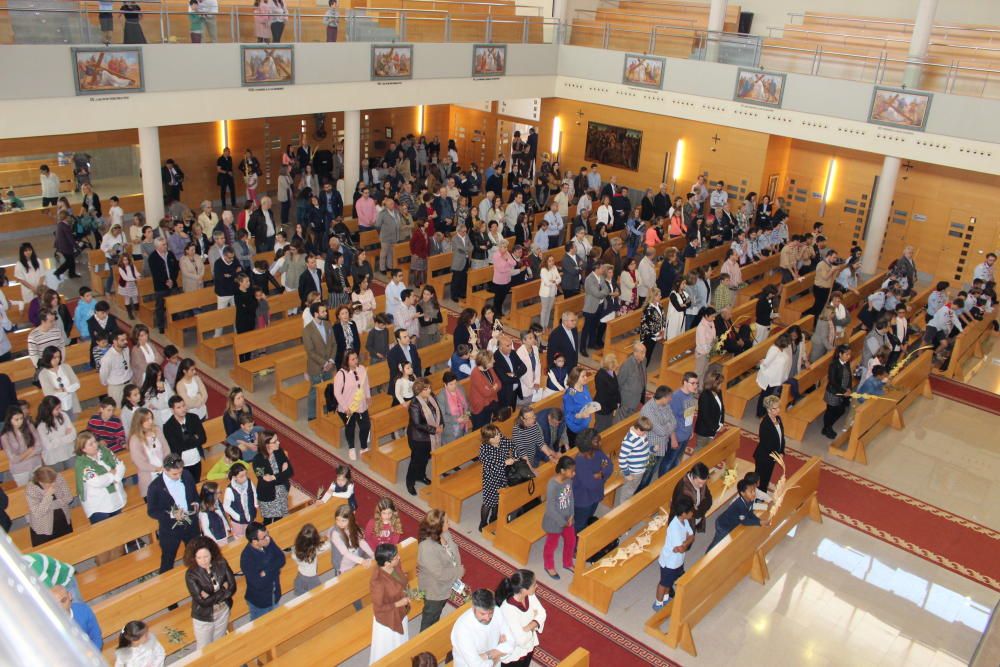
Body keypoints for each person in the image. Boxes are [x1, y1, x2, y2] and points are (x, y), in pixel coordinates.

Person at [74, 431, 126, 563]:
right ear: (83, 449)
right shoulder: (82, 463)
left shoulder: (105, 452)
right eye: (90, 444)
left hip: (115, 500)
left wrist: (116, 477)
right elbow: (96, 481)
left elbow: (120, 465)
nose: (95, 445)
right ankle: (104, 567)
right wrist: (112, 476)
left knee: (118, 536)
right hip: (99, 507)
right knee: (104, 541)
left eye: (94, 442)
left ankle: (118, 565)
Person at [147, 453, 200, 573]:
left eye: (180, 472)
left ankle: (197, 578)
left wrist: (196, 504)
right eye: (174, 474)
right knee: (168, 559)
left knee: (196, 554)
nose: (178, 476)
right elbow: (152, 511)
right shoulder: (155, 486)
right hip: (170, 529)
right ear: (165, 470)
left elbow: (194, 495)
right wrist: (171, 514)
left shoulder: (186, 475)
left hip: (191, 524)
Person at [184, 535, 237, 650]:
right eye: (199, 558)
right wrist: (223, 590)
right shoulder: (191, 574)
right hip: (204, 616)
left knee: (219, 643)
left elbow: (232, 587)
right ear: (193, 558)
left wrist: (211, 596)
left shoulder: (221, 563)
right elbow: (203, 602)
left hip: (223, 610)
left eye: (206, 556)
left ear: (211, 554)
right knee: (204, 648)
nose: (203, 561)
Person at [417, 509, 465, 631]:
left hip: (448, 584)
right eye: (446, 522)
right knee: (430, 617)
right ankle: (423, 644)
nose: (449, 524)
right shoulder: (427, 548)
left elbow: (453, 551)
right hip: (435, 590)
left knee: (437, 612)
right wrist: (458, 572)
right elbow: (440, 574)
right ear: (437, 527)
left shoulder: (445, 534)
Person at [369, 542, 411, 663]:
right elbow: (379, 608)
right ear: (387, 563)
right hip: (387, 618)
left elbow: (400, 579)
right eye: (396, 557)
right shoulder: (377, 582)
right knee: (389, 647)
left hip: (400, 610)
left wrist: (407, 590)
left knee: (400, 642)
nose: (399, 558)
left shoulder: (395, 565)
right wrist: (399, 603)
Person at [450, 589, 515, 666]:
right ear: (473, 608)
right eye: (482, 614)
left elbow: (511, 643)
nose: (487, 618)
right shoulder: (462, 629)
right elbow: (476, 665)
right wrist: (497, 655)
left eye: (490, 613)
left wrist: (486, 655)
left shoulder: (497, 611)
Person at [495, 570, 546, 667]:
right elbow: (521, 640)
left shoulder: (530, 596)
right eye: (534, 585)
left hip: (529, 646)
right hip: (514, 655)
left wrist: (527, 627)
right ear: (523, 590)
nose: (537, 586)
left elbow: (542, 613)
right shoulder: (508, 609)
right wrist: (534, 621)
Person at [652, 496, 695, 610]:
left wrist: (684, 544)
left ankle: (666, 599)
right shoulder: (674, 527)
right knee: (664, 583)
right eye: (690, 511)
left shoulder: (684, 521)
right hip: (669, 563)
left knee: (669, 582)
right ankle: (658, 603)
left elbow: (692, 536)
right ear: (683, 513)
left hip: (678, 561)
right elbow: (680, 548)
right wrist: (685, 544)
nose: (692, 512)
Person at [706, 478, 767, 552]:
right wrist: (759, 522)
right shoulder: (740, 505)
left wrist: (759, 520)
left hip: (731, 524)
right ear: (742, 493)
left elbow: (750, 513)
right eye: (751, 491)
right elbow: (745, 521)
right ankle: (708, 554)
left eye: (754, 490)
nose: (754, 493)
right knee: (717, 542)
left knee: (726, 541)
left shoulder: (750, 500)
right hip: (723, 526)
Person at [241, 522, 286, 620]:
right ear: (254, 541)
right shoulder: (247, 558)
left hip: (275, 594)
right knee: (260, 631)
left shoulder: (268, 542)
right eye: (264, 537)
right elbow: (259, 584)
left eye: (267, 534)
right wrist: (275, 569)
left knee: (275, 623)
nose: (268, 537)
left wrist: (266, 571)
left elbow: (282, 559)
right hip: (260, 602)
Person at [637, 385, 677, 492]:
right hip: (651, 449)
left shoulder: (665, 405)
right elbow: (661, 431)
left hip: (661, 445)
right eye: (669, 397)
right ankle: (639, 494)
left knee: (652, 470)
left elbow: (674, 421)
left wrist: (666, 426)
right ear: (663, 397)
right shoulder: (648, 410)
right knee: (647, 472)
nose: (671, 399)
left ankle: (643, 491)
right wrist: (668, 425)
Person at [405, 378, 442, 496]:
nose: (430, 390)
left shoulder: (432, 397)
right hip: (418, 438)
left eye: (430, 387)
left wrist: (441, 424)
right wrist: (434, 430)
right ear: (419, 391)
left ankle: (421, 476)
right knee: (416, 460)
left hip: (430, 437)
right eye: (427, 389)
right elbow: (417, 424)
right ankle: (410, 482)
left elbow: (438, 411)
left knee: (425, 458)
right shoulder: (414, 404)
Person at [542, 456, 576, 579]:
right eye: (571, 470)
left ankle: (567, 563)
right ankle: (549, 565)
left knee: (571, 541)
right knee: (551, 545)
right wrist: (563, 522)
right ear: (562, 470)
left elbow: (570, 498)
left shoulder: (568, 481)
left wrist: (572, 514)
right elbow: (550, 509)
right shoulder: (553, 485)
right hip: (555, 521)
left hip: (568, 518)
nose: (574, 473)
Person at [333, 350, 373, 458]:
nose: (356, 361)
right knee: (350, 427)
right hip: (347, 407)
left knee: (365, 426)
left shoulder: (362, 369)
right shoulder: (341, 374)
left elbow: (366, 384)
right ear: (347, 361)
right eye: (353, 359)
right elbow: (337, 393)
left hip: (361, 405)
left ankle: (363, 447)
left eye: (356, 358)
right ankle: (351, 447)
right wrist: (346, 408)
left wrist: (368, 396)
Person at [571, 428, 611, 533]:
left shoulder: (597, 451)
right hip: (583, 499)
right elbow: (591, 484)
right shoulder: (580, 461)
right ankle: (575, 546)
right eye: (597, 441)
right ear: (589, 445)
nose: (600, 442)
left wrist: (599, 474)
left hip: (595, 494)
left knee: (589, 517)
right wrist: (602, 472)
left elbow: (610, 466)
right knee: (580, 524)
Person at [304, 303, 337, 421]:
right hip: (316, 365)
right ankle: (312, 415)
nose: (326, 313)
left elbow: (334, 344)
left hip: (329, 363)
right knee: (314, 389)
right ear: (316, 314)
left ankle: (329, 409)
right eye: (323, 311)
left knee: (329, 387)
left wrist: (331, 361)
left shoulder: (328, 324)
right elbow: (310, 351)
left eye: (325, 311)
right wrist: (324, 363)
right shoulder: (307, 330)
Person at [478, 424, 515, 531]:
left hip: (503, 477)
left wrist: (515, 456)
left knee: (499, 500)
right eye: (495, 437)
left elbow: (513, 445)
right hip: (491, 479)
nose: (498, 437)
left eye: (498, 434)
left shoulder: (501, 440)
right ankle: (483, 523)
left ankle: (493, 519)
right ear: (488, 439)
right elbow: (491, 467)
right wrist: (505, 463)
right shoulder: (484, 450)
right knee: (489, 502)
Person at [26, 466, 74, 546]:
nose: (54, 485)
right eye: (50, 483)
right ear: (41, 482)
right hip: (44, 527)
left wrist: (49, 506)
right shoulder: (31, 489)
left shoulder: (57, 477)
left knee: (67, 546)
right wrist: (48, 495)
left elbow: (69, 498)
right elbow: (38, 513)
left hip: (63, 520)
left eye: (54, 482)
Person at [253, 430, 294, 524]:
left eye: (277, 440)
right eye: (275, 441)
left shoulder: (279, 451)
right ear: (267, 445)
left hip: (282, 492)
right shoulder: (258, 460)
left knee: (279, 518)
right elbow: (264, 482)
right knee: (267, 521)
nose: (278, 442)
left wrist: (273, 477)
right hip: (268, 495)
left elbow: (290, 472)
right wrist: (282, 474)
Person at [163, 396, 207, 482]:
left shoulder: (193, 418)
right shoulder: (168, 426)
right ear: (172, 410)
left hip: (196, 459)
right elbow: (175, 447)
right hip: (181, 463)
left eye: (183, 406)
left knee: (197, 482)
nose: (183, 409)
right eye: (179, 407)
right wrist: (194, 438)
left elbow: (203, 438)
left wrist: (185, 441)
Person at [128, 407, 167, 499]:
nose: (150, 421)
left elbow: (166, 448)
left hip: (165, 470)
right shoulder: (135, 439)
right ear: (139, 421)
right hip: (150, 476)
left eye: (151, 418)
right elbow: (140, 462)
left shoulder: (157, 430)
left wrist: (166, 464)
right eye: (147, 420)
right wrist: (157, 469)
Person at [664, 373, 698, 472]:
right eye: (693, 383)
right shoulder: (676, 397)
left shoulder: (690, 395)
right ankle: (663, 482)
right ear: (685, 382)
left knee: (677, 460)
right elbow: (670, 420)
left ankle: (673, 478)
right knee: (668, 462)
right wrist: (673, 439)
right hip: (677, 436)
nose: (695, 386)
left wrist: (690, 429)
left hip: (686, 434)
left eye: (697, 383)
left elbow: (689, 414)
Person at [51, 584, 102, 650]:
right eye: (55, 604)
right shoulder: (50, 624)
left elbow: (96, 637)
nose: (61, 607)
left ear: (70, 596)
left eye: (63, 601)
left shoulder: (83, 610)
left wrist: (92, 654)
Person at [35, 394, 76, 471]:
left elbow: (73, 435)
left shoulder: (63, 415)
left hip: (69, 452)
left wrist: (55, 440)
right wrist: (65, 436)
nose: (60, 410)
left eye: (60, 407)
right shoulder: (41, 426)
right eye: (57, 409)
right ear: (48, 409)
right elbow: (48, 446)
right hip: (53, 458)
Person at [671, 461, 713, 538]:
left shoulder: (701, 480)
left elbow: (709, 499)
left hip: (696, 514)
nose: (701, 486)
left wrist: (699, 510)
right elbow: (685, 513)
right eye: (699, 483)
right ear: (692, 476)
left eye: (703, 483)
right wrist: (698, 512)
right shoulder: (683, 491)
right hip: (683, 519)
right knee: (684, 538)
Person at [147, 237, 180, 334]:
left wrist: (172, 280)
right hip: (160, 287)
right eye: (163, 245)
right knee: (160, 307)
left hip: (173, 284)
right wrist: (166, 281)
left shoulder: (170, 254)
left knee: (175, 304)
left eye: (166, 244)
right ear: (157, 247)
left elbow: (175, 268)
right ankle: (161, 325)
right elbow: (156, 274)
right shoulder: (152, 257)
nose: (166, 246)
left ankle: (176, 323)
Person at [755, 395, 786, 492]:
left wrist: (782, 451)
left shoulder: (778, 419)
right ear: (768, 409)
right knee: (761, 478)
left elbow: (781, 437)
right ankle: (757, 496)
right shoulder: (765, 424)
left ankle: (762, 492)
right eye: (775, 408)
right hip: (764, 457)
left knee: (767, 476)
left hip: (773, 456)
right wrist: (777, 454)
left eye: (778, 407)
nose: (778, 410)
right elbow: (766, 444)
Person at [822, 345, 853, 439]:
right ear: (840, 354)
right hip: (833, 392)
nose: (849, 356)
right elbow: (833, 381)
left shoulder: (846, 362)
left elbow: (849, 376)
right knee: (830, 411)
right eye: (847, 354)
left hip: (842, 392)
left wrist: (849, 388)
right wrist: (843, 391)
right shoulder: (834, 365)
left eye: (849, 354)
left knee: (840, 410)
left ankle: (827, 426)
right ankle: (827, 428)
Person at [291, 523, 331, 595]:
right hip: (312, 578)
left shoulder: (295, 553)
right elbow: (328, 545)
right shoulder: (314, 551)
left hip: (300, 577)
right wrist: (328, 538)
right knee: (317, 595)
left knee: (301, 595)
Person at [437, 372, 472, 445]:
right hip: (451, 431)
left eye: (455, 383)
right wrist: (457, 419)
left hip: (464, 424)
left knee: (463, 445)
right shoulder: (441, 397)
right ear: (445, 384)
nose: (454, 386)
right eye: (451, 384)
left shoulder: (460, 388)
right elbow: (442, 417)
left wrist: (467, 415)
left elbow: (467, 404)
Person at [694, 370, 725, 448]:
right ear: (714, 384)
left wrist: (721, 423)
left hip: (713, 428)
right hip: (704, 429)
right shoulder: (705, 396)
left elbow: (722, 408)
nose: (721, 385)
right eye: (719, 383)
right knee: (699, 451)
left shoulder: (718, 392)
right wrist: (716, 428)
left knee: (707, 450)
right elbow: (705, 416)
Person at [593, 354, 621, 433]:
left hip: (610, 407)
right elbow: (604, 396)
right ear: (608, 365)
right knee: (600, 428)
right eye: (613, 366)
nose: (615, 368)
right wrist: (615, 405)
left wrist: (618, 401)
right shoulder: (600, 376)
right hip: (603, 408)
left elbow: (616, 388)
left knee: (608, 427)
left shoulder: (611, 372)